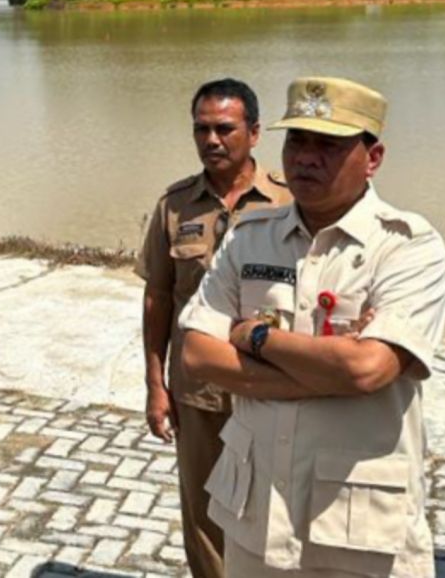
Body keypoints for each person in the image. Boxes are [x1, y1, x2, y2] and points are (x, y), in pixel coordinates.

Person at [179, 77, 445, 577]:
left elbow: (366, 370)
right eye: (298, 141)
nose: (305, 157)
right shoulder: (250, 238)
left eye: (328, 145)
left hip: (358, 528)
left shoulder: (408, 247)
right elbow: (195, 354)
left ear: (373, 158)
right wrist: (328, 372)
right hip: (256, 515)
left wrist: (256, 337)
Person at [135, 78, 291, 577]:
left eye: (225, 128)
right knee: (204, 515)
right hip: (198, 392)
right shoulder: (176, 204)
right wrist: (155, 385)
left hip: (275, 388)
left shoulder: (290, 201)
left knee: (278, 512)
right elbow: (158, 297)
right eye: (201, 129)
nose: (212, 140)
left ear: (255, 132)